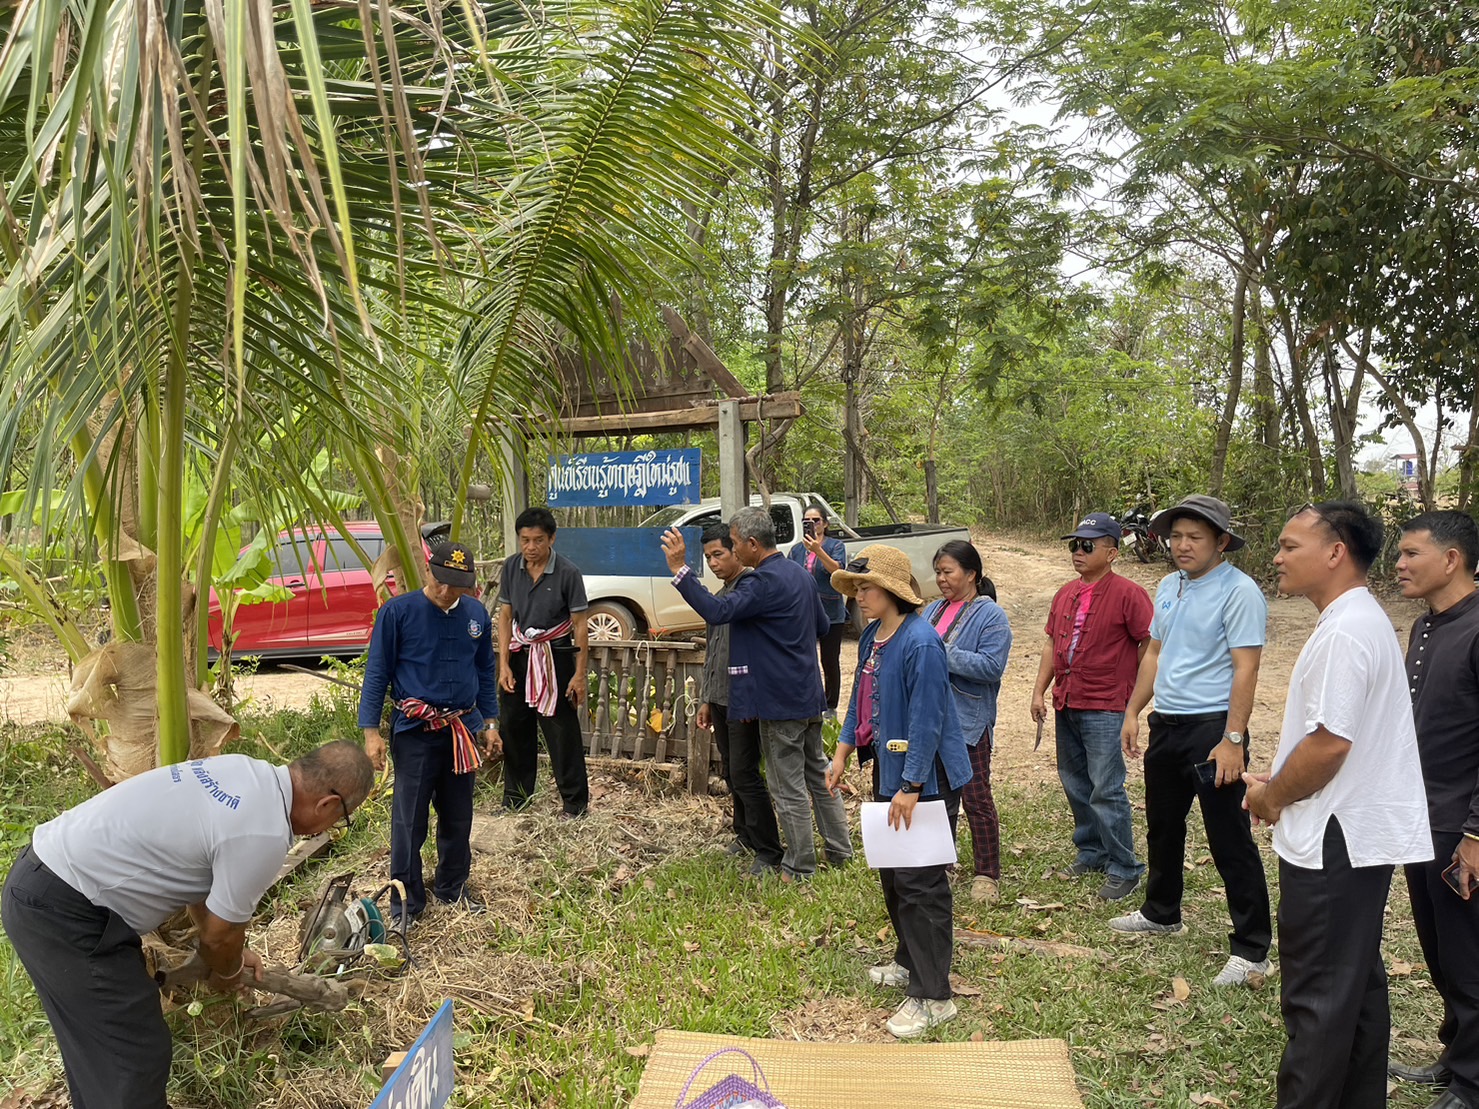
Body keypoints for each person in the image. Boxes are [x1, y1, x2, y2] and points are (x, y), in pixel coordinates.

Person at [2, 741, 374, 1109]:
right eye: (340, 818)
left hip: (43, 879)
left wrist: (231, 953)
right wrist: (226, 968)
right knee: (132, 1058)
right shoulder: (265, 831)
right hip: (66, 910)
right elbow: (219, 936)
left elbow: (203, 882)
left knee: (103, 1062)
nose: (330, 826)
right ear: (327, 804)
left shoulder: (244, 772)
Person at [1246, 501, 1432, 1109]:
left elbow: (1329, 745)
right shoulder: (1358, 620)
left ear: (1335, 553)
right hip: (1353, 834)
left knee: (1318, 997)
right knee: (1354, 984)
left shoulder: (1347, 629)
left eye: (1289, 545)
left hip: (1333, 837)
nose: (1276, 557)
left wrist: (1271, 796)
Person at [1114, 495, 1273, 988]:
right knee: (1163, 825)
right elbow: (1154, 653)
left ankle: (1252, 949)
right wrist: (1133, 711)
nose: (1182, 546)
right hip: (1169, 723)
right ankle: (1162, 912)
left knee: (1229, 837)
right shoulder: (1168, 585)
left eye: (1195, 538)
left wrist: (1233, 738)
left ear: (1221, 542)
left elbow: (1247, 667)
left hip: (1212, 729)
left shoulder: (1239, 591)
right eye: (1176, 536)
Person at [824, 544, 972, 1038]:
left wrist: (911, 786)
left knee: (921, 883)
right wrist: (843, 751)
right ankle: (908, 963)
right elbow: (858, 701)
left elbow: (927, 721)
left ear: (891, 591)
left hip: (924, 779)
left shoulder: (921, 643)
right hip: (890, 773)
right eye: (857, 587)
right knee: (895, 875)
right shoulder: (872, 638)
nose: (859, 596)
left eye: (865, 587)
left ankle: (934, 997)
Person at [661, 507, 852, 882]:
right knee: (817, 773)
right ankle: (840, 850)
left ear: (751, 544)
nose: (729, 548)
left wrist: (680, 569)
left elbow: (717, 611)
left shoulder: (760, 582)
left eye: (732, 543)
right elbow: (820, 625)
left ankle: (799, 866)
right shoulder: (800, 573)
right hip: (808, 693)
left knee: (787, 785)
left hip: (779, 701)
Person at [361, 540, 500, 928]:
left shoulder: (475, 615)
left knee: (458, 814)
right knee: (409, 819)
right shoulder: (398, 613)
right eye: (440, 582)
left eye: (456, 585)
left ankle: (452, 886)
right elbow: (377, 675)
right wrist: (372, 732)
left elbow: (485, 672)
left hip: (461, 729)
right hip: (415, 731)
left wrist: (490, 722)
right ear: (427, 572)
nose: (446, 591)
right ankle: (405, 902)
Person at [1389, 510, 1479, 1106]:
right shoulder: (1426, 627)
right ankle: (1456, 1055)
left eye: (1411, 554)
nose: (1398, 565)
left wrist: (1476, 832)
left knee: (1471, 958)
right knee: (1439, 952)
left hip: (1460, 825)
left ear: (1451, 560)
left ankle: (1474, 1083)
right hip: (1419, 818)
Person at [1030, 513, 1152, 901]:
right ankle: (1092, 850)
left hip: (1105, 703)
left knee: (1106, 787)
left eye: (1087, 546)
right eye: (1074, 546)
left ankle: (1124, 865)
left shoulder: (1129, 594)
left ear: (1112, 552)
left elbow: (1149, 645)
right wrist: (1039, 690)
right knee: (1075, 781)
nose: (1078, 553)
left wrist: (1134, 702)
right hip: (1068, 698)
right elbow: (1052, 643)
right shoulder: (1066, 593)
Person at [921, 539, 1011, 904]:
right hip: (933, 720)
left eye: (948, 572)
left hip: (969, 722)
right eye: (938, 572)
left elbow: (991, 667)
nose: (941, 579)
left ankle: (987, 873)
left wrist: (941, 652)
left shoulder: (990, 616)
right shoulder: (932, 611)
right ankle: (941, 862)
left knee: (976, 798)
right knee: (938, 798)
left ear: (971, 574)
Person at [697, 524, 784, 874]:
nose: (714, 562)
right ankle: (745, 833)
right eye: (707, 557)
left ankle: (769, 849)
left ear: (737, 550)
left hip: (742, 698)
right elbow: (712, 652)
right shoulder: (721, 595)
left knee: (745, 772)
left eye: (719, 554)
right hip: (719, 695)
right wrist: (705, 697)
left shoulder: (750, 591)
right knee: (733, 771)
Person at [497, 506, 591, 817]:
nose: (531, 548)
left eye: (538, 540)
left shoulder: (567, 572)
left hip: (556, 655)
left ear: (551, 539)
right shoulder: (511, 568)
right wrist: (504, 664)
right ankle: (516, 799)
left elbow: (579, 625)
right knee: (513, 726)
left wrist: (579, 675)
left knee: (561, 730)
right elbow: (506, 616)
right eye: (525, 540)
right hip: (521, 652)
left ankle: (575, 805)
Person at [789, 505, 848, 716]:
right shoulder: (796, 550)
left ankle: (831, 705)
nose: (813, 524)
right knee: (803, 657)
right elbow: (789, 576)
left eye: (817, 520)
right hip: (803, 613)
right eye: (808, 520)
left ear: (825, 523)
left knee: (829, 659)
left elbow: (838, 571)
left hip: (831, 612)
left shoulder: (835, 546)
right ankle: (807, 700)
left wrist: (818, 551)